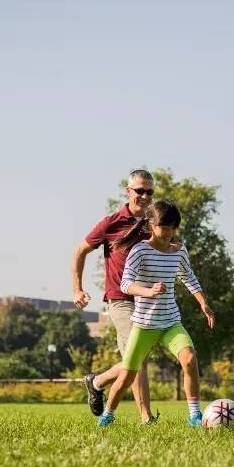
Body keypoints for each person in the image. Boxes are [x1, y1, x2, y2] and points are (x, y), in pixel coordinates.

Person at [97, 200, 215, 428]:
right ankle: (108, 414)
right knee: (127, 376)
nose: (168, 232)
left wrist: (203, 303)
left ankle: (194, 416)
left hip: (170, 322)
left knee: (190, 360)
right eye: (164, 226)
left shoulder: (179, 251)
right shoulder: (140, 250)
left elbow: (188, 277)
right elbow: (125, 284)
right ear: (151, 225)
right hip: (144, 324)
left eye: (172, 227)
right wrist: (148, 291)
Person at [72, 169, 157, 423]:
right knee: (137, 355)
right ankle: (146, 417)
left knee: (134, 358)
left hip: (147, 300)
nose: (144, 196)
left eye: (149, 191)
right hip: (120, 299)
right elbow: (80, 251)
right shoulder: (112, 222)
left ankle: (96, 382)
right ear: (128, 191)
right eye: (139, 190)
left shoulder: (154, 222)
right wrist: (77, 288)